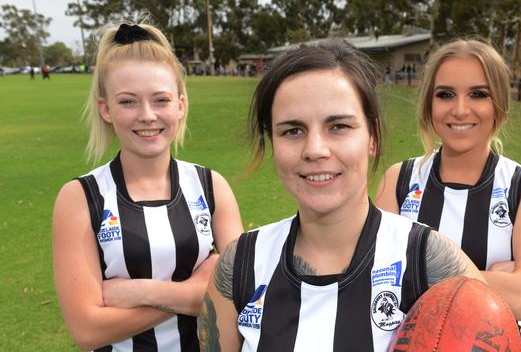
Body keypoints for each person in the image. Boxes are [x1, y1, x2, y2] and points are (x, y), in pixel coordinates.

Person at [198, 39, 485, 352]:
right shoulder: (239, 265)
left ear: (372, 137)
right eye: (293, 131)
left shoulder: (428, 261)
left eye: (338, 126)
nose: (315, 150)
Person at [52, 22, 243, 351]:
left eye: (161, 100)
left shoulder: (211, 186)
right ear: (106, 109)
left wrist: (141, 293)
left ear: (180, 105)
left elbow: (241, 294)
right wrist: (197, 290)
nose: (147, 115)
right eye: (128, 102)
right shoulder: (81, 198)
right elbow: (88, 331)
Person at [374, 39, 521, 352]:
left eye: (478, 94)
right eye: (445, 94)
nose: (460, 110)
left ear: (499, 103)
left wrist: (413, 273)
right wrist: (490, 280)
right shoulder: (399, 180)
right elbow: (374, 283)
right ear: (429, 104)